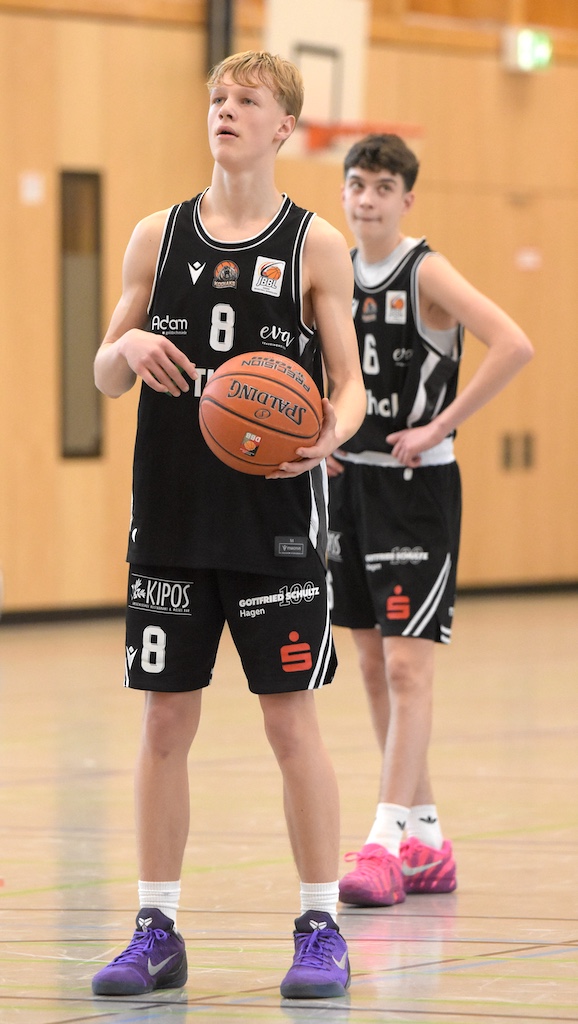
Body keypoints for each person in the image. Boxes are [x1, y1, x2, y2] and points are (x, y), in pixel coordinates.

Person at [91, 51, 365, 1000]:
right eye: (216, 99)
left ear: (284, 126)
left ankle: (321, 923)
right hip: (168, 514)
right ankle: (156, 926)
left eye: (246, 101)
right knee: (165, 720)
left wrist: (334, 428)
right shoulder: (153, 237)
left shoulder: (315, 245)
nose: (226, 112)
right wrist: (123, 343)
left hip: (274, 522)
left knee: (291, 724)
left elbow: (352, 388)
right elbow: (104, 373)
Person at [327, 134, 533, 907]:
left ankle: (383, 841)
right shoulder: (335, 272)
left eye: (383, 187)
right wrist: (325, 434)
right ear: (343, 192)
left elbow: (514, 343)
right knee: (375, 668)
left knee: (410, 668)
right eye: (357, 184)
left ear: (406, 199)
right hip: (350, 488)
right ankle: (426, 840)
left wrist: (442, 422)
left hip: (416, 492)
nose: (368, 199)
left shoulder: (425, 272)